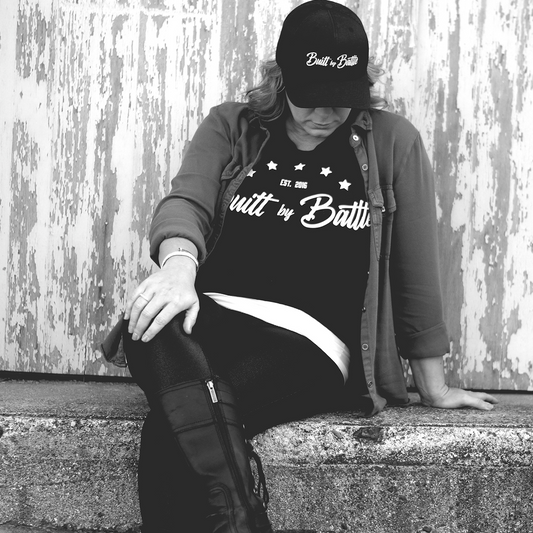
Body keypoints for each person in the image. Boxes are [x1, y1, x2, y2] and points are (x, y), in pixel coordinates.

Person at [101, 1, 497, 531]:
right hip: (214, 314)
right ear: (281, 78)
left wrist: (433, 383)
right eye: (311, 97)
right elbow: (186, 202)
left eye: (341, 100)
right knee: (148, 317)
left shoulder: (393, 142)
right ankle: (243, 517)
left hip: (308, 341)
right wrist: (177, 269)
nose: (326, 114)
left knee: (168, 432)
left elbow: (416, 270)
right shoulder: (232, 125)